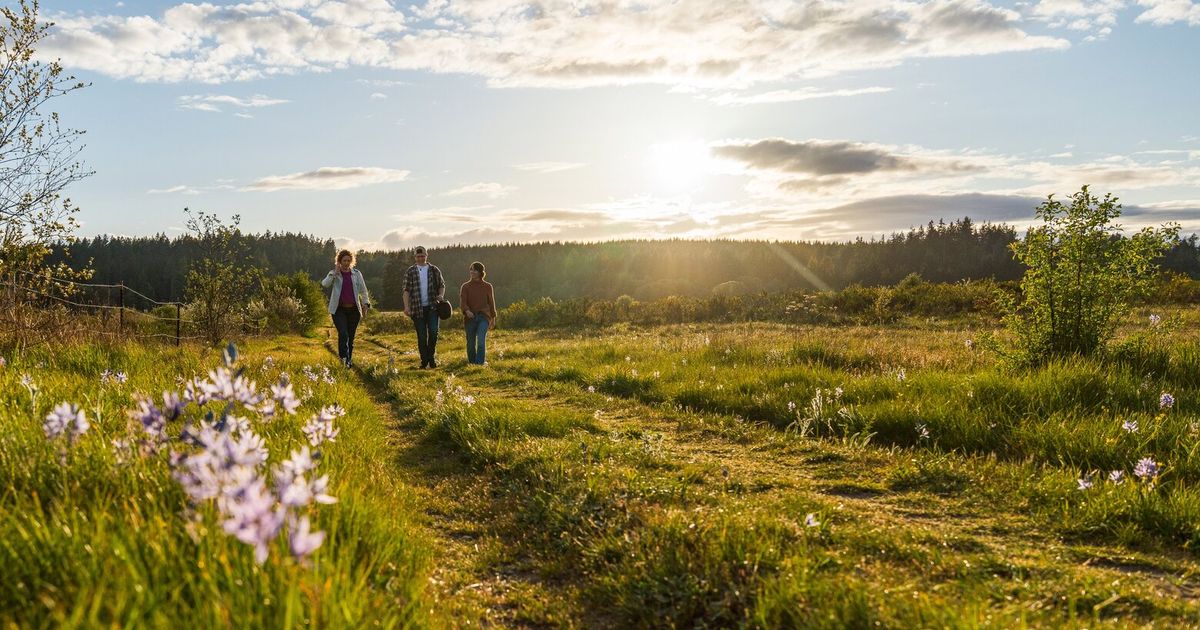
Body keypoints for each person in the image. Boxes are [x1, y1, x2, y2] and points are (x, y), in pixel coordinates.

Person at [321, 249, 371, 367]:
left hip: (354, 310)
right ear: (339, 261)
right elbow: (325, 284)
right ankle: (344, 359)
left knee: (351, 337)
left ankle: (348, 360)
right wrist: (335, 273)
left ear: (351, 261)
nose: (346, 263)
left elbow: (364, 291)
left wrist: (366, 303)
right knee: (343, 334)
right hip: (339, 310)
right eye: (344, 260)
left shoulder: (357, 274)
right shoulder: (334, 273)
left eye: (349, 260)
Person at [402, 246, 445, 369]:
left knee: (433, 332)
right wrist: (406, 307)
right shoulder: (410, 271)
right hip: (417, 308)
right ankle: (424, 360)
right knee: (421, 336)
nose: (421, 258)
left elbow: (442, 285)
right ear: (415, 257)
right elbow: (406, 290)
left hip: (432, 307)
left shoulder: (434, 270)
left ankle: (431, 357)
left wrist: (441, 295)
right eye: (418, 256)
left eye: (423, 256)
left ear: (426, 256)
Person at [459, 261, 497, 365]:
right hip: (470, 318)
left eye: (475, 269)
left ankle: (480, 363)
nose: (472, 272)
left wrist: (493, 318)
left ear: (480, 272)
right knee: (470, 344)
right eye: (471, 269)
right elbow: (463, 302)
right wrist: (467, 311)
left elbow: (491, 303)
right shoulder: (465, 286)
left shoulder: (488, 286)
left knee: (481, 340)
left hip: (484, 317)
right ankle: (472, 363)